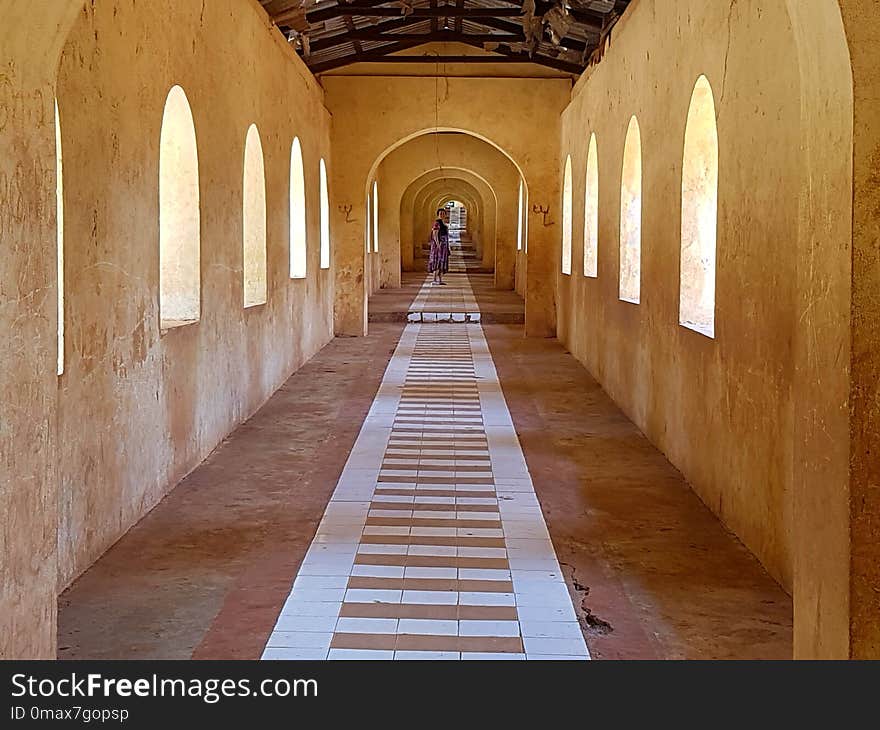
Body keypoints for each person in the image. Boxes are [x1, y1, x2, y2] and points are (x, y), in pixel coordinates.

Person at [428, 208, 450, 285]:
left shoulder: (443, 224)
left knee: (441, 262)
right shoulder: (437, 223)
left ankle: (440, 280)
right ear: (438, 214)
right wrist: (438, 244)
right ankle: (434, 279)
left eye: (443, 213)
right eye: (440, 213)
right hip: (438, 246)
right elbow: (435, 234)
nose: (442, 215)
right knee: (437, 261)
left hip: (444, 246)